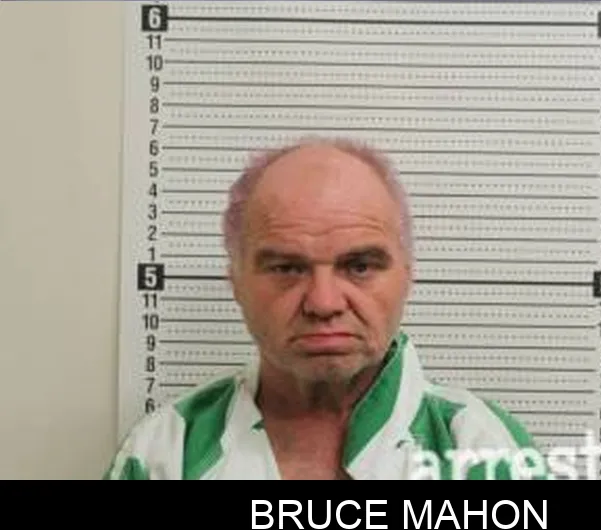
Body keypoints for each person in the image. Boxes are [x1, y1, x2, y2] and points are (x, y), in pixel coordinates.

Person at [103, 137, 548, 480]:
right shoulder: (164, 454)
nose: (323, 303)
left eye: (359, 266)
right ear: (236, 282)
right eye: (286, 268)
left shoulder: (482, 448)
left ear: (407, 276)